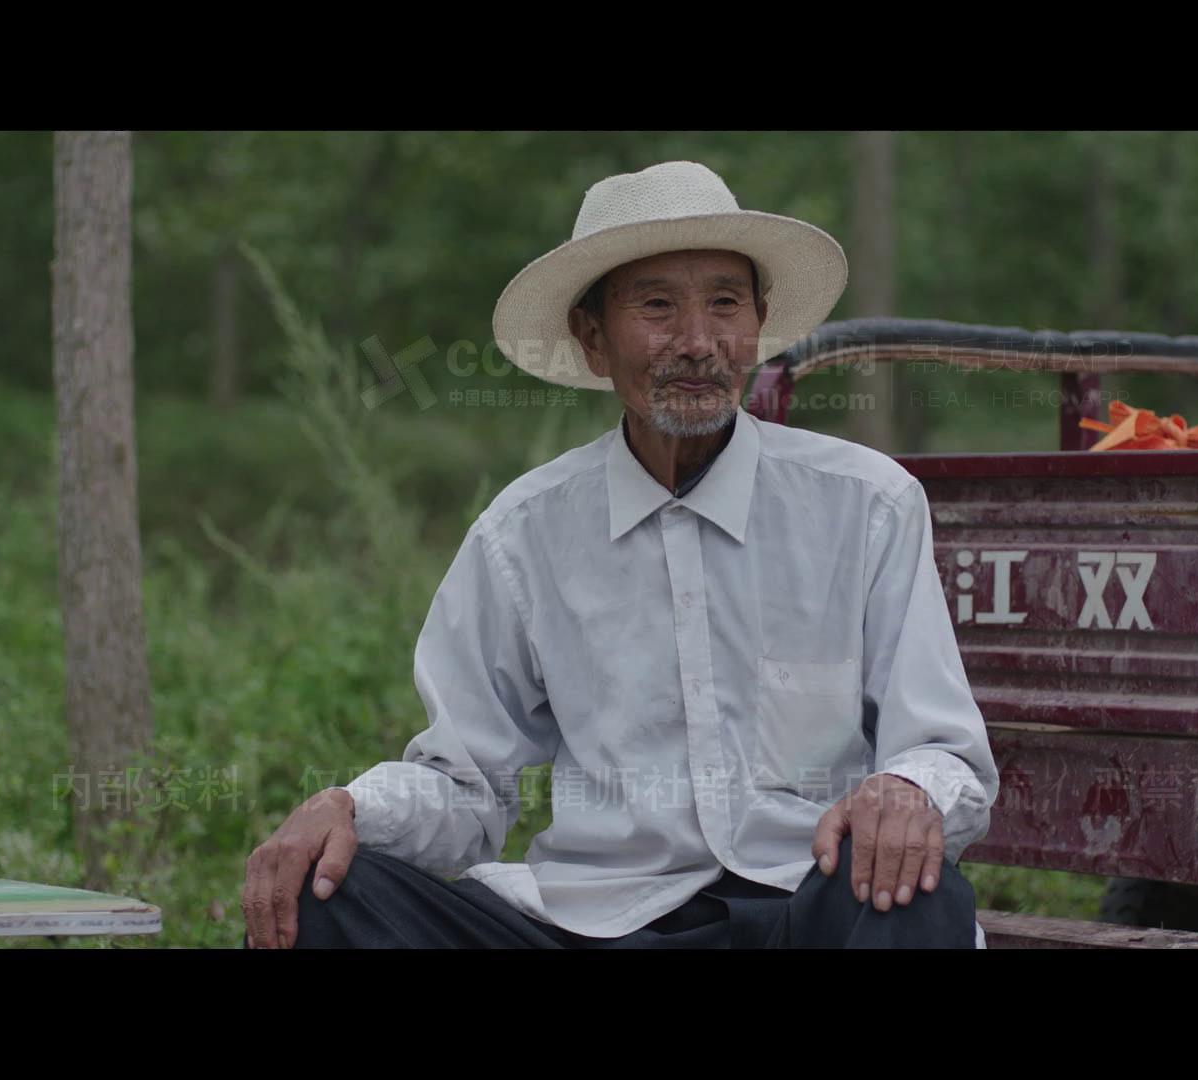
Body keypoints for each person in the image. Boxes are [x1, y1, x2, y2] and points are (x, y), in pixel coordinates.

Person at [241, 160, 999, 948]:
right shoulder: (523, 535)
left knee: (913, 894)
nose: (698, 343)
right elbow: (463, 786)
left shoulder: (867, 505)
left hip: (802, 907)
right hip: (594, 923)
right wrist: (349, 806)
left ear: (759, 323)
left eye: (725, 304)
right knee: (328, 898)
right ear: (593, 338)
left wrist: (907, 789)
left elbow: (942, 750)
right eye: (657, 306)